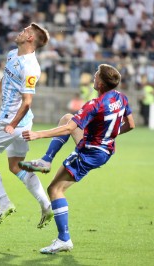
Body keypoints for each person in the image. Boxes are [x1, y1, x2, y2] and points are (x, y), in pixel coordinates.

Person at [19, 64, 135, 254]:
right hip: (102, 147)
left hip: (91, 152)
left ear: (100, 82)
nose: (93, 77)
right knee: (67, 118)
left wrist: (38, 134)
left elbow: (68, 130)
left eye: (96, 75)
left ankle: (64, 239)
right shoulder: (121, 98)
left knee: (54, 189)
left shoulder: (94, 105)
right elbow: (130, 124)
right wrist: (109, 136)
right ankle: (46, 159)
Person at [0, 22, 53, 228]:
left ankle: (4, 203)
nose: (21, 31)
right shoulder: (12, 55)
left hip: (12, 120)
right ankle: (46, 205)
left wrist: (11, 125)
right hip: (22, 123)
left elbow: (27, 102)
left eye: (26, 31)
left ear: (30, 39)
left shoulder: (31, 67)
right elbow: (6, 78)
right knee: (15, 166)